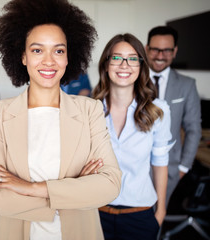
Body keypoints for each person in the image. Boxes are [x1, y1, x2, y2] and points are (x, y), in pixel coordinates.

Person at [0, 0, 122, 239]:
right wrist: (75, 191)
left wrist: (29, 188)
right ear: (23, 56)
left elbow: (110, 185)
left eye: (58, 50)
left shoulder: (90, 111)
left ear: (68, 57)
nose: (49, 60)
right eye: (37, 50)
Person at [93, 33, 173, 240]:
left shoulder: (158, 111)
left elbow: (160, 163)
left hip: (140, 215)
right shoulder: (89, 110)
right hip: (94, 213)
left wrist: (161, 211)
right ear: (106, 64)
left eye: (132, 58)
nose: (124, 65)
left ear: (141, 65)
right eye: (117, 58)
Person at [145, 26, 202, 205]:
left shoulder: (187, 85)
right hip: (133, 165)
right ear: (147, 49)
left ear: (175, 51)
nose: (160, 56)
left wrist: (183, 167)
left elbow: (193, 128)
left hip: (170, 167)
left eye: (167, 50)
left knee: (156, 220)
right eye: (155, 49)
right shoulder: (131, 78)